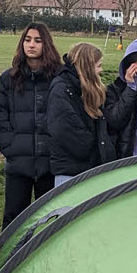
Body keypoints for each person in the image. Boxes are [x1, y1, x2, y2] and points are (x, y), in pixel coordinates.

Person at [0, 22, 60, 225]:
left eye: (38, 41)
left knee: (49, 219)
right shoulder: (9, 78)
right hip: (18, 161)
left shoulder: (58, 78)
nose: (31, 45)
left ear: (45, 44)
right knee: (14, 218)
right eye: (28, 39)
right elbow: (1, 115)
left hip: (49, 162)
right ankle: (9, 258)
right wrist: (9, 146)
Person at [47, 42, 115, 185]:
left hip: (90, 170)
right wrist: (95, 147)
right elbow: (66, 132)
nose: (101, 70)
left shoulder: (88, 91)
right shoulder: (62, 89)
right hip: (70, 173)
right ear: (88, 67)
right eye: (98, 65)